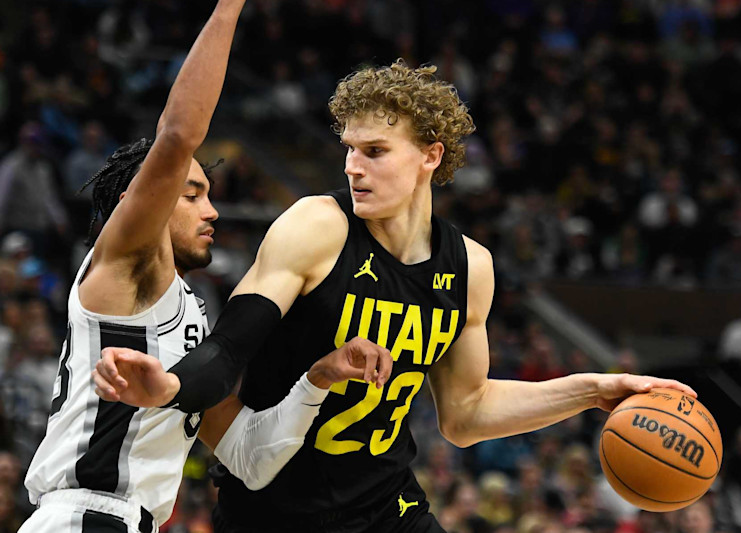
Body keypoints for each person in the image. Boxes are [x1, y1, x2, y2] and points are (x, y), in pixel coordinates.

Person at [95, 60, 696, 532]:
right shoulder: (316, 226)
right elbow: (228, 350)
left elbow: (465, 414)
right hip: (274, 512)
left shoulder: (472, 269)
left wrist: (594, 390)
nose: (355, 167)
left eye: (375, 152)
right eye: (350, 150)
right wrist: (173, 387)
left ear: (430, 156)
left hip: (386, 508)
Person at [20, 2, 391, 532]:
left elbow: (249, 458)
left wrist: (319, 379)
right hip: (85, 516)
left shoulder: (189, 326)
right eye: (192, 195)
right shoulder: (121, 269)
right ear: (139, 201)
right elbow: (177, 135)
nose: (212, 210)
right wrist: (229, 7)